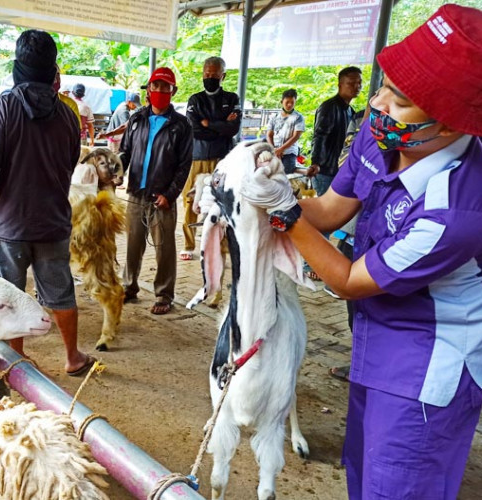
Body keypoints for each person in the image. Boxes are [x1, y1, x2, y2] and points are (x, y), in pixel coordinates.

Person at [225, 5, 482, 498]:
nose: (378, 103)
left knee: (399, 483)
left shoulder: (457, 213)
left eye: (400, 100)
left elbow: (346, 279)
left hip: (426, 364)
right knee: (363, 475)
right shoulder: (384, 128)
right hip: (375, 337)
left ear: (448, 126)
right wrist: (280, 194)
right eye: (383, 85)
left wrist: (283, 212)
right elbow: (328, 209)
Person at [0, 29, 94, 377]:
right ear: (52, 70)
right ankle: (72, 357)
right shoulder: (68, 116)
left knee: (8, 293)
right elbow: (70, 164)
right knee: (60, 291)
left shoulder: (1, 109)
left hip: (8, 224)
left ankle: (19, 364)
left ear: (18, 66)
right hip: (52, 222)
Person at [119, 67, 192, 315]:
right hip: (136, 193)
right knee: (132, 245)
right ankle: (129, 287)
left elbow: (184, 165)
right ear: (148, 89)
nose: (160, 91)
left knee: (164, 249)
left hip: (162, 198)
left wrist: (169, 194)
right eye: (156, 86)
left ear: (173, 91)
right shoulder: (137, 119)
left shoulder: (181, 125)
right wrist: (116, 173)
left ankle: (163, 295)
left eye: (166, 87)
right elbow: (125, 152)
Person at [181, 56, 241, 261]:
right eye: (207, 74)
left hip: (223, 160)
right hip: (197, 156)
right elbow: (195, 130)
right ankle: (188, 244)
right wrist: (221, 124)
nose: (210, 77)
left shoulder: (232, 99)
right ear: (202, 74)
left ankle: (218, 243)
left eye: (215, 75)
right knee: (191, 199)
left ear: (222, 76)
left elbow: (233, 129)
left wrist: (209, 123)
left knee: (221, 200)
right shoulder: (195, 100)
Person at [308, 66, 362, 195]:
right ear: (340, 85)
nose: (357, 86)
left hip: (339, 171)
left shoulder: (350, 110)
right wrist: (316, 162)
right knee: (325, 212)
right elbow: (320, 136)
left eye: (359, 82)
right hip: (326, 171)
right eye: (351, 83)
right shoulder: (329, 107)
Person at [266, 88, 305, 174]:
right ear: (281, 102)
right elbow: (269, 135)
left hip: (289, 152)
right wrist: (274, 150)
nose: (289, 104)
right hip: (274, 150)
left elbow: (296, 136)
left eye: (292, 102)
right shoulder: (274, 117)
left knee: (286, 175)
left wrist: (281, 149)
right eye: (287, 102)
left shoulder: (298, 117)